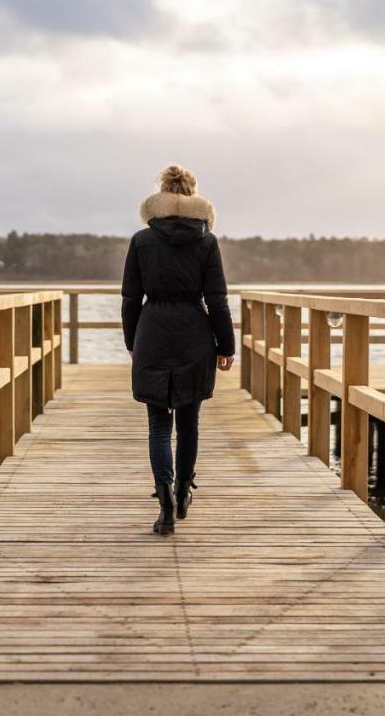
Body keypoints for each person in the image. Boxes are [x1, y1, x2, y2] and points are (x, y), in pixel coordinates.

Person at [122, 165, 235, 536]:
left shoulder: (141, 240)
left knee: (158, 425)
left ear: (161, 195)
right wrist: (226, 345)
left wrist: (132, 340)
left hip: (152, 331)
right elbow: (216, 298)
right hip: (194, 335)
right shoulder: (207, 241)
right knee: (189, 422)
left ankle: (165, 502)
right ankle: (184, 493)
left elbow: (129, 298)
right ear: (193, 196)